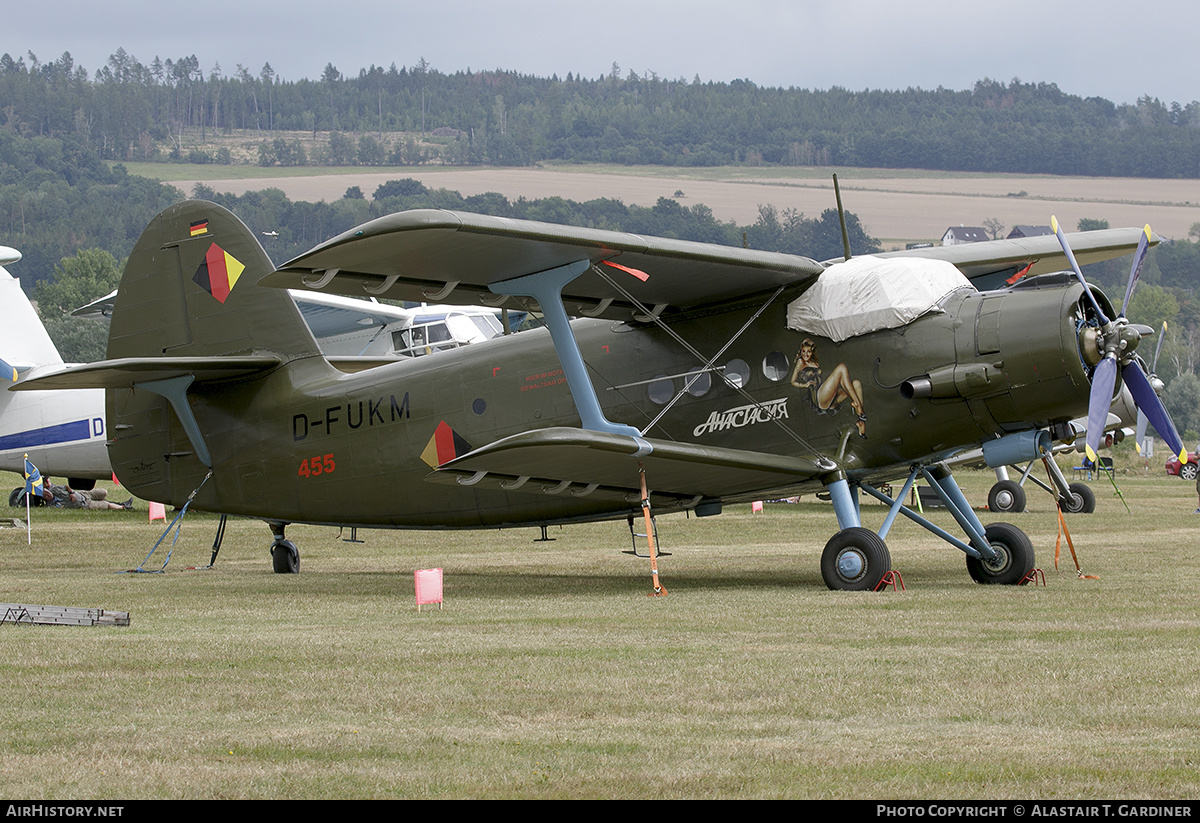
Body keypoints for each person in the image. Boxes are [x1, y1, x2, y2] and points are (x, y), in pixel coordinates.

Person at [789, 338, 867, 437]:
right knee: (841, 368)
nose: (806, 354)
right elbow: (792, 381)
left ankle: (861, 421)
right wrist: (804, 385)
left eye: (809, 351)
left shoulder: (814, 362)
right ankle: (857, 405)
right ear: (800, 351)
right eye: (803, 351)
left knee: (856, 384)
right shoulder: (800, 362)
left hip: (828, 399)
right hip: (819, 397)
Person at [42, 482, 133, 511]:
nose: (48, 494)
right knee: (106, 505)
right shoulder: (52, 505)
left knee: (104, 492)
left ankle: (121, 503)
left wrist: (71, 493)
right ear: (44, 499)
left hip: (83, 494)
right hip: (84, 504)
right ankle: (124, 507)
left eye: (47, 492)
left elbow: (66, 486)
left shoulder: (54, 490)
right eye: (46, 496)